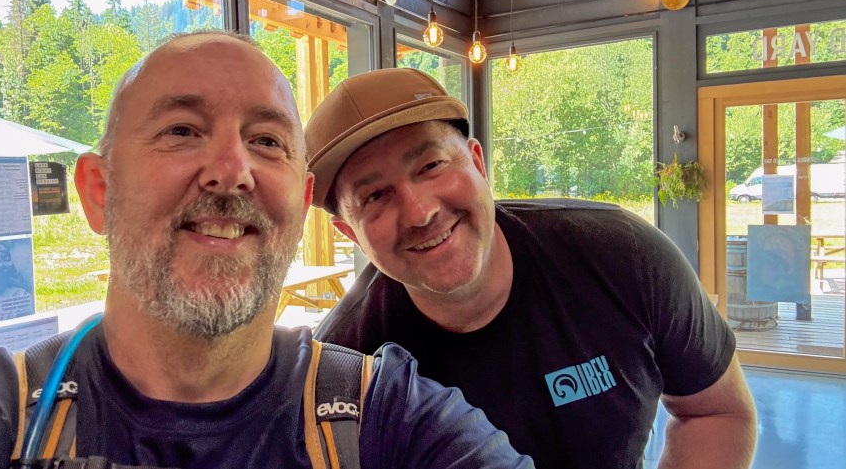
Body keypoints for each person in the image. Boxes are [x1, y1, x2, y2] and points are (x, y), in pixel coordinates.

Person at [0, 34, 534, 469]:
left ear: (301, 202)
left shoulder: (387, 416)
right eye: (181, 130)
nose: (230, 171)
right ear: (99, 192)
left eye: (267, 141)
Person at [304, 67, 758, 469]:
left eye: (431, 165)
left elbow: (715, 411)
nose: (420, 212)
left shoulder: (624, 257)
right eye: (375, 196)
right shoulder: (343, 370)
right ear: (350, 233)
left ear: (478, 163)